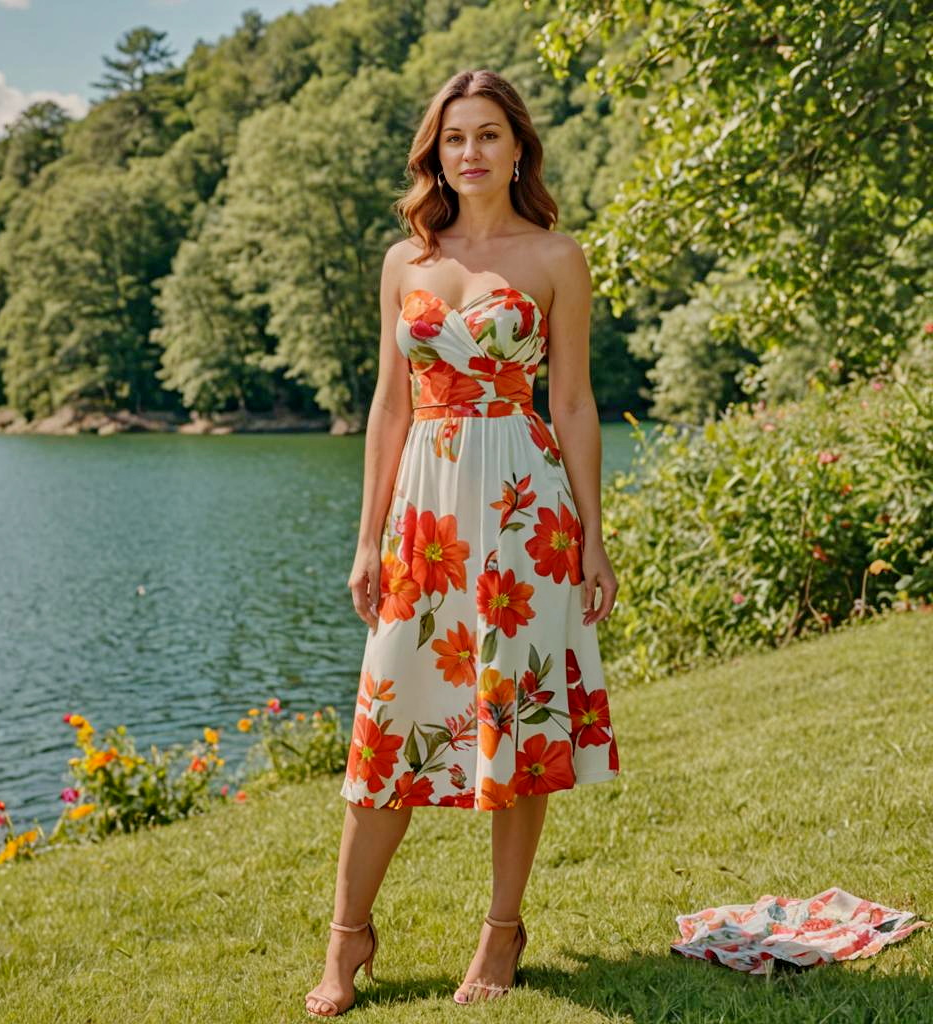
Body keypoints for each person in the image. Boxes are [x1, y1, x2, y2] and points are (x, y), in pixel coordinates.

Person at [304, 68, 621, 1018]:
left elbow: (570, 401)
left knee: (519, 718)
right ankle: (347, 938)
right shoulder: (409, 261)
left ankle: (501, 930)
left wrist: (595, 539)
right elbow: (389, 404)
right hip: (427, 515)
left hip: (526, 506)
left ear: (518, 146)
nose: (471, 152)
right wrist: (367, 541)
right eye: (454, 139)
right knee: (389, 714)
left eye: (488, 134)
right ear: (434, 154)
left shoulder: (558, 256)